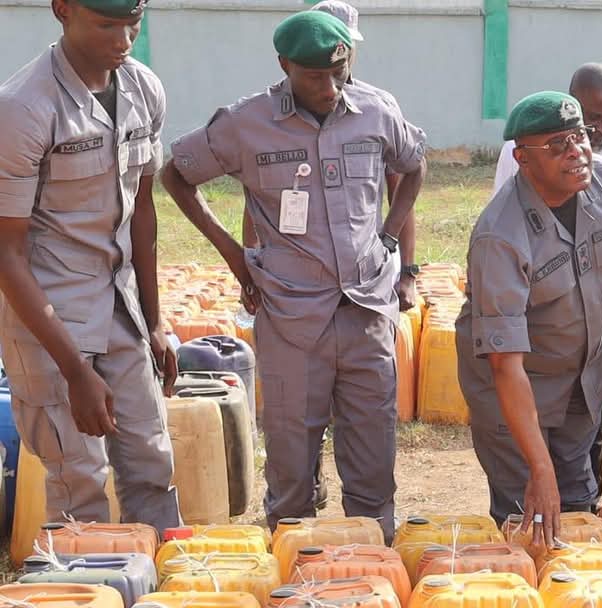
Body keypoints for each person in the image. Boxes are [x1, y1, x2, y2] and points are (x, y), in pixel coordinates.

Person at [161, 11, 427, 541]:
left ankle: (373, 554)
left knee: (373, 457)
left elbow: (414, 165)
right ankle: (292, 557)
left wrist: (390, 240)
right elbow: (176, 175)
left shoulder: (377, 110)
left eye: (338, 72)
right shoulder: (247, 123)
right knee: (290, 468)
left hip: (366, 311)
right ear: (284, 65)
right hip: (291, 317)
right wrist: (235, 255)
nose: (329, 89)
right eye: (314, 76)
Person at [456, 91, 602, 545]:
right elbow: (506, 366)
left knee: (578, 509)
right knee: (527, 523)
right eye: (557, 145)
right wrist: (539, 469)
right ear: (522, 158)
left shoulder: (601, 183)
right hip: (518, 393)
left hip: (581, 380)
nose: (577, 151)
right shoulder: (500, 237)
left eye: (579, 136)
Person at [0, 0, 181, 531]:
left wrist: (155, 321)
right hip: (49, 317)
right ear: (62, 9)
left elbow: (143, 209)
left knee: (151, 463)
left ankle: (157, 570)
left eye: (133, 23)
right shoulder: (23, 108)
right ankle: (84, 573)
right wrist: (75, 371)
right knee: (77, 481)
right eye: (106, 24)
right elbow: (7, 254)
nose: (123, 39)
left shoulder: (144, 89)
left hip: (122, 306)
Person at [492, 62, 602, 506]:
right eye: (590, 120)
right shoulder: (503, 219)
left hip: (593, 328)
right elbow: (507, 228)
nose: (593, 137)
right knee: (527, 485)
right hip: (534, 335)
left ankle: (581, 503)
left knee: (586, 430)